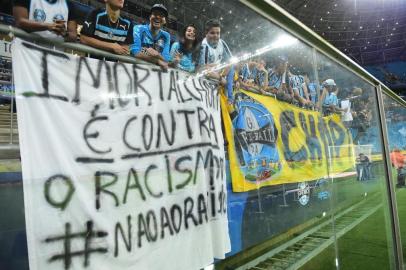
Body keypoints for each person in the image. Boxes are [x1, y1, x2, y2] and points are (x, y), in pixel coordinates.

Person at [198, 19, 234, 101]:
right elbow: (204, 71)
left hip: (219, 80)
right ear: (206, 33)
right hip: (206, 84)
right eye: (212, 33)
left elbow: (230, 61)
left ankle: (230, 99)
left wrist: (223, 76)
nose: (216, 36)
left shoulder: (222, 43)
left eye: (218, 33)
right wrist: (221, 79)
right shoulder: (204, 46)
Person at [13, 0, 78, 41]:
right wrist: (48, 26)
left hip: (53, 55)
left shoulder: (69, 5)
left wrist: (65, 34)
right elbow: (20, 22)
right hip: (26, 51)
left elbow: (73, 36)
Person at [130, 4, 170, 70]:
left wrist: (157, 54)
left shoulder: (166, 36)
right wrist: (157, 60)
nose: (158, 16)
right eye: (155, 14)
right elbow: (135, 52)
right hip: (136, 70)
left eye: (161, 15)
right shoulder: (138, 29)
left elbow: (166, 59)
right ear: (150, 17)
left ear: (165, 20)